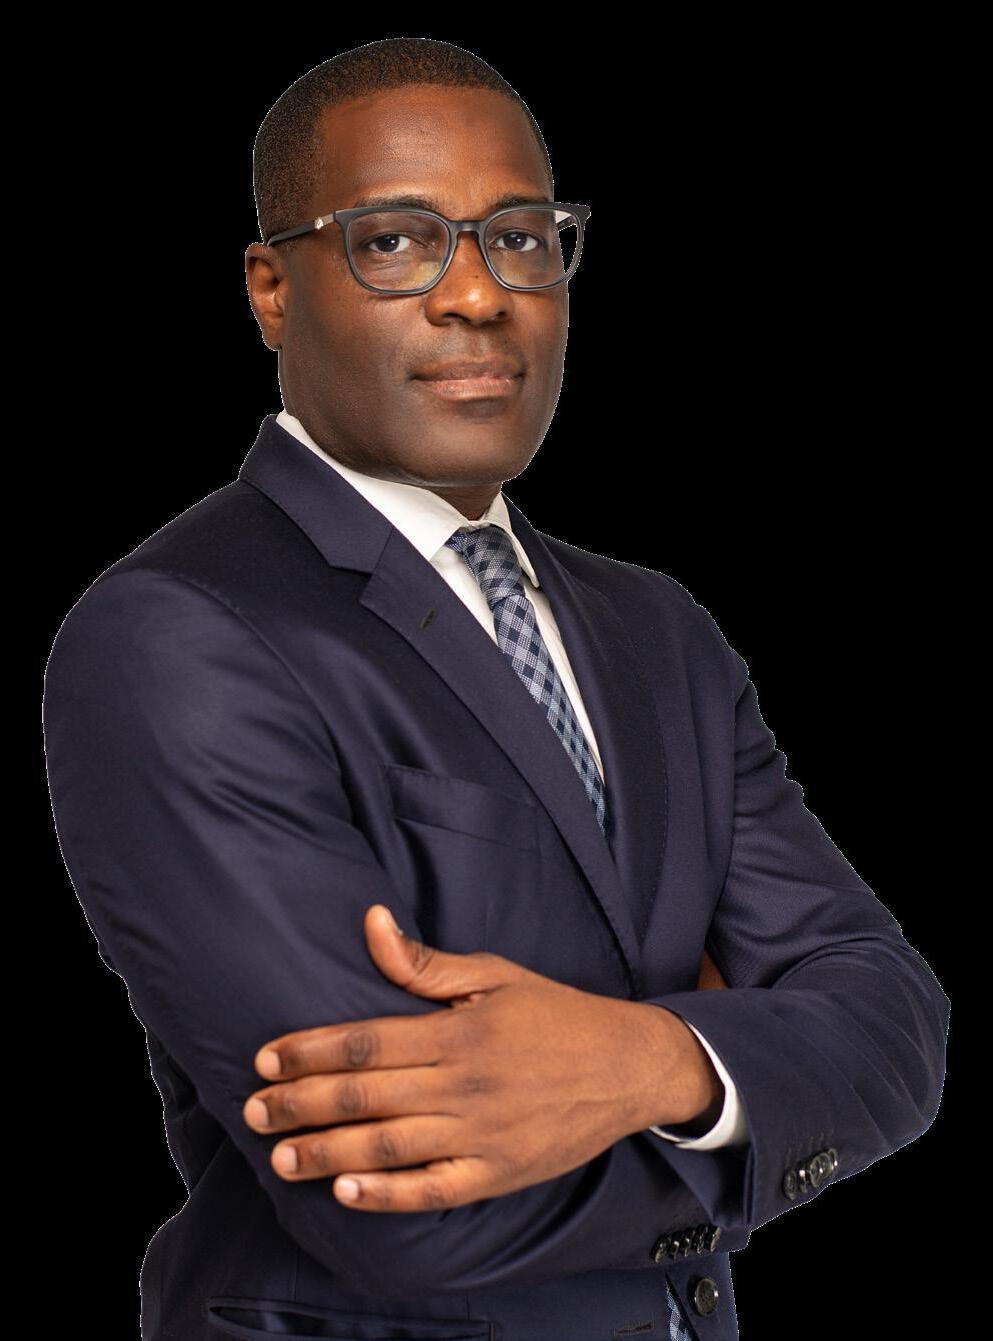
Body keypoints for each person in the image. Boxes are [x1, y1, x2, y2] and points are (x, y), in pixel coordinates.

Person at [41, 36, 949, 1341]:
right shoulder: (179, 636)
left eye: (520, 238)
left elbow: (894, 1021)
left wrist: (653, 1060)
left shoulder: (659, 631)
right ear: (271, 290)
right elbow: (399, 1204)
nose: (478, 294)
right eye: (395, 242)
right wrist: (757, 1075)